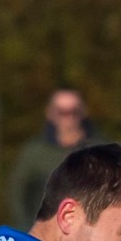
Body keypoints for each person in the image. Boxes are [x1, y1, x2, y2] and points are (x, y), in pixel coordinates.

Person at [8, 87, 93, 226]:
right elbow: (18, 196)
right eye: (62, 112)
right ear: (50, 113)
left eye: (74, 112)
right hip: (43, 238)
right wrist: (28, 233)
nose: (68, 118)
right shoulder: (35, 153)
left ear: (83, 112)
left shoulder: (101, 150)